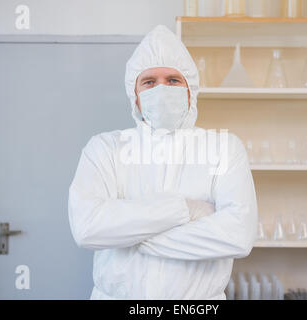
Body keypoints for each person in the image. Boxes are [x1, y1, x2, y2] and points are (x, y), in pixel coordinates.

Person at [68, 25, 258, 300]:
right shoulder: (105, 148)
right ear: (134, 94)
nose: (161, 89)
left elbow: (238, 235)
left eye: (172, 80)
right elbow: (88, 228)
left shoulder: (224, 148)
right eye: (149, 82)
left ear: (191, 90)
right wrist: (186, 210)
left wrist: (129, 235)